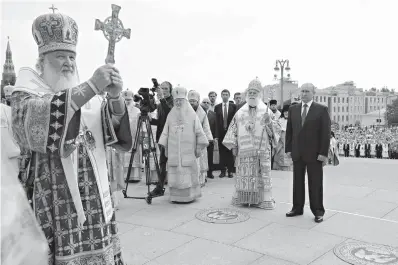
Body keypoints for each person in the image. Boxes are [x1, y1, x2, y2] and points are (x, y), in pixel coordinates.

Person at [11, 11, 132, 264]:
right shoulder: (26, 92)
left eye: (72, 56)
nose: (68, 62)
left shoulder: (85, 95)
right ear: (41, 61)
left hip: (95, 193)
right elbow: (33, 124)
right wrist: (90, 87)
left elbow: (110, 129)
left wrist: (115, 98)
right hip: (53, 193)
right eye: (60, 56)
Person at [223, 78, 281, 209]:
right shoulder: (240, 112)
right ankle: (243, 199)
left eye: (255, 92)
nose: (252, 95)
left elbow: (276, 130)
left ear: (259, 94)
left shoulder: (266, 111)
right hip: (244, 152)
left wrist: (269, 123)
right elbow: (233, 129)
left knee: (262, 176)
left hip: (262, 150)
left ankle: (263, 201)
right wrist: (234, 146)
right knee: (245, 176)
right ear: (247, 94)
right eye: (250, 92)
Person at [285, 83, 331, 223]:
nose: (304, 94)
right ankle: (297, 208)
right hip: (297, 152)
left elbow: (325, 133)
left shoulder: (321, 110)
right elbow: (289, 131)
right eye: (302, 91)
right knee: (297, 182)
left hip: (315, 154)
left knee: (315, 183)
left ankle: (318, 211)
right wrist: (288, 149)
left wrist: (323, 153)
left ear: (313, 93)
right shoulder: (293, 109)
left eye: (307, 91)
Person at [158, 86, 209, 202]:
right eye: (176, 101)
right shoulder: (170, 115)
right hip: (174, 151)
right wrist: (164, 146)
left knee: (188, 172)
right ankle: (175, 196)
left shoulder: (192, 115)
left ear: (185, 101)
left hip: (188, 151)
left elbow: (199, 132)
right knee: (174, 172)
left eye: (180, 100)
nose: (178, 103)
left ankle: (189, 196)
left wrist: (198, 147)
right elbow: (165, 131)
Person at [149, 81, 173, 196]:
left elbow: (170, 114)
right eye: (162, 88)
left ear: (170, 90)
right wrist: (150, 120)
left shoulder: (174, 101)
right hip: (161, 136)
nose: (163, 90)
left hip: (170, 136)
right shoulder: (159, 104)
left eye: (166, 88)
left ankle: (161, 186)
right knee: (162, 162)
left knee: (166, 162)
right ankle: (160, 185)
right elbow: (160, 121)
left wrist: (162, 98)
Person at [188, 90, 213, 187]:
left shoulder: (202, 113)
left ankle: (201, 180)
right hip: (188, 140)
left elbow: (206, 127)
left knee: (201, 160)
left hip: (199, 140)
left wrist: (208, 138)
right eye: (190, 101)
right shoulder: (185, 111)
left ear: (198, 101)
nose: (192, 103)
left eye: (194, 101)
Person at [121, 89, 143, 183]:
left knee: (134, 156)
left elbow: (140, 125)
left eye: (129, 100)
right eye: (125, 99)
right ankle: (124, 177)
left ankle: (134, 177)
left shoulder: (137, 110)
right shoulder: (118, 110)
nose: (127, 101)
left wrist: (141, 134)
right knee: (123, 157)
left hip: (134, 138)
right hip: (122, 138)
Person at [214, 89, 237, 178]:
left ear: (229, 96)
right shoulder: (217, 107)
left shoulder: (233, 106)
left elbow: (235, 120)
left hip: (230, 132)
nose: (225, 96)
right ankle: (222, 171)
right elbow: (216, 122)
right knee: (222, 153)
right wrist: (216, 135)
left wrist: (235, 132)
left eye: (226, 94)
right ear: (221, 96)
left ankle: (230, 171)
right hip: (220, 133)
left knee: (230, 152)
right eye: (223, 94)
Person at [273, 104, 293, 171]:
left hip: (290, 142)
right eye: (285, 111)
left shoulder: (293, 121)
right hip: (281, 142)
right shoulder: (280, 120)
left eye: (288, 111)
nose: (286, 113)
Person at [201, 97, 217, 179]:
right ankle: (202, 175)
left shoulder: (213, 114)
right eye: (204, 102)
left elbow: (215, 127)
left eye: (208, 103)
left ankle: (210, 172)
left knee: (210, 156)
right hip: (200, 139)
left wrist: (215, 137)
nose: (206, 104)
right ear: (201, 103)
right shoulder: (198, 113)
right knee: (202, 156)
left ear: (210, 105)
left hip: (210, 139)